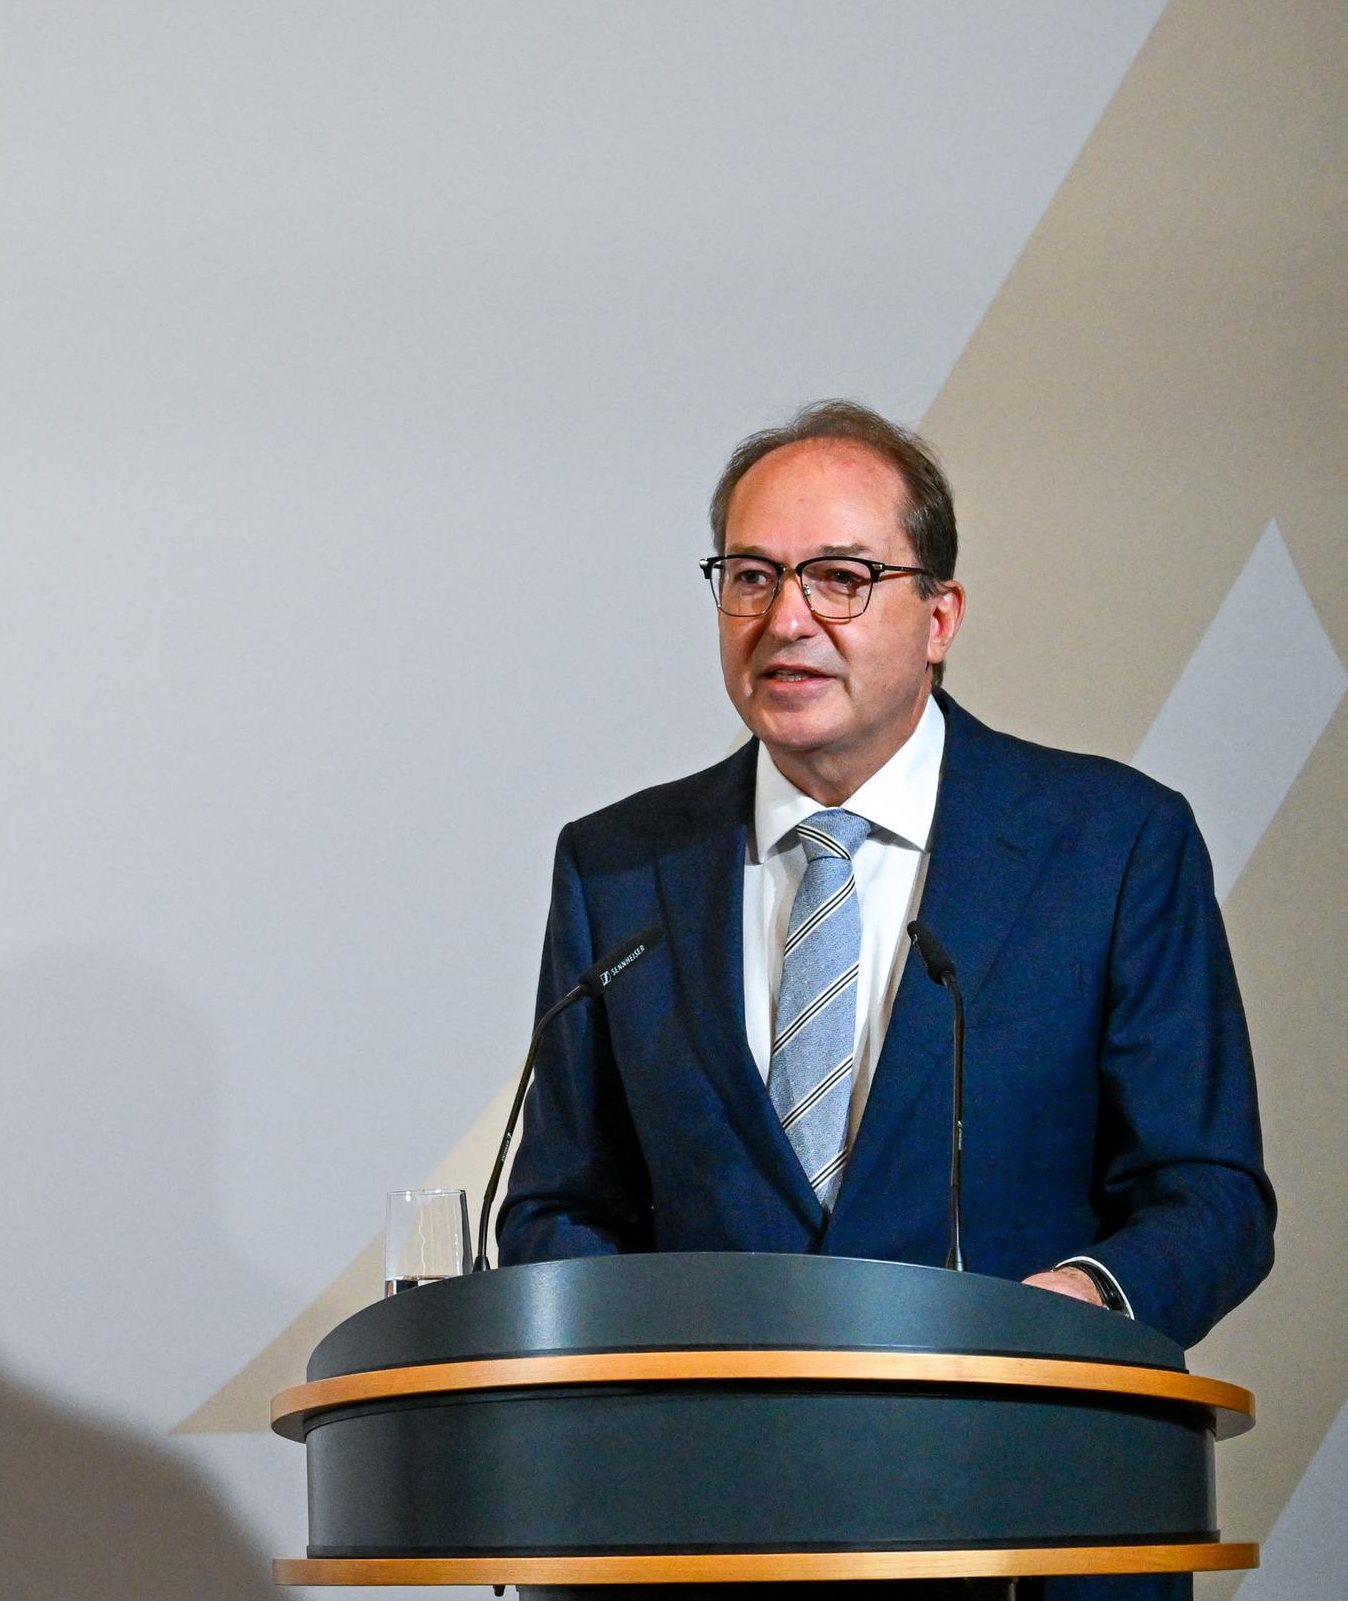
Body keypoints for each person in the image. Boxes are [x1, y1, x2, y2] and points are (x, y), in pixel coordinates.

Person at [496, 400, 1273, 1600]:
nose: (786, 619)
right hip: (697, 1541)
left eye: (841, 578)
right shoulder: (617, 865)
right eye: (750, 576)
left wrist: (1077, 1308)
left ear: (940, 617)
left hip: (1028, 1520)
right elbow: (555, 1206)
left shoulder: (1111, 844)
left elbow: (1210, 1195)